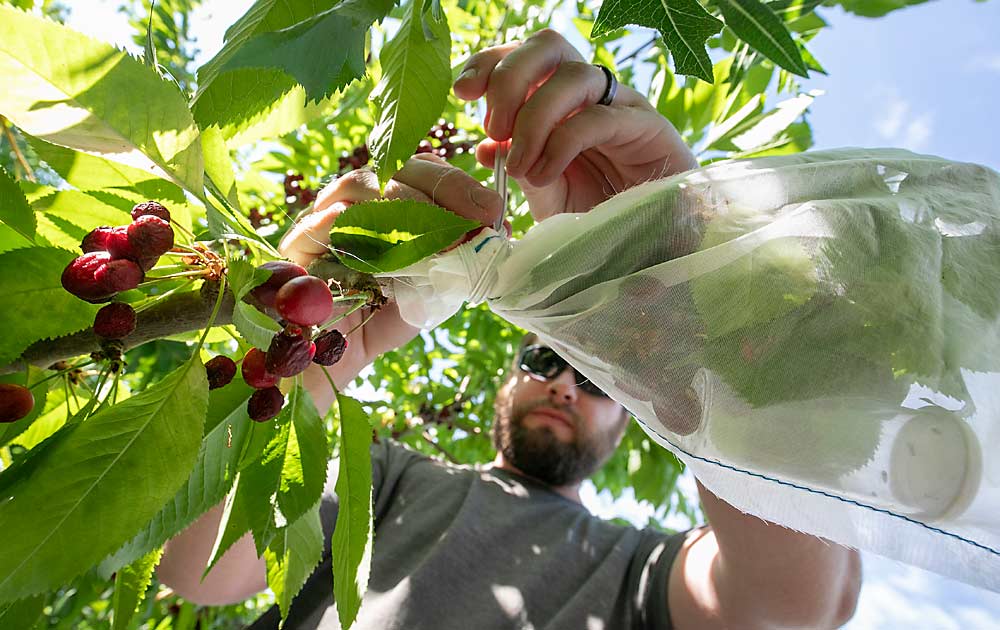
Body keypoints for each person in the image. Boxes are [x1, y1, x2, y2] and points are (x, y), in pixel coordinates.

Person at [157, 29, 862, 629]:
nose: (562, 386)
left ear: (633, 415)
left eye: (593, 378)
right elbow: (197, 568)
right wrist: (308, 357)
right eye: (541, 362)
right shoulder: (386, 481)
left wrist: (686, 297)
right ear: (504, 384)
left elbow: (795, 606)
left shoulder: (638, 569)